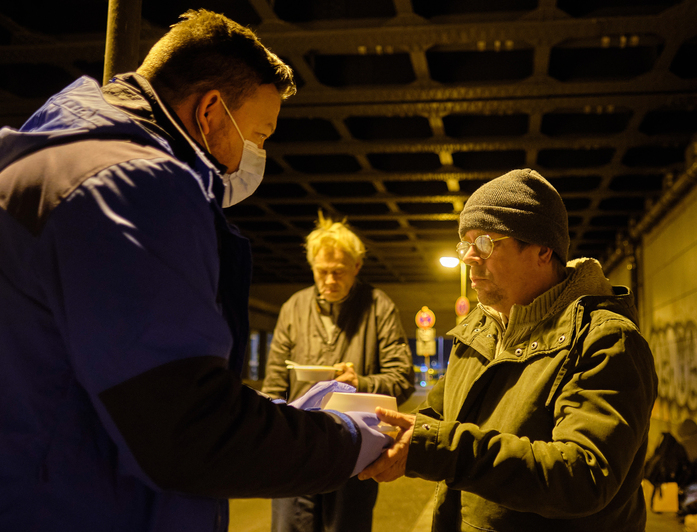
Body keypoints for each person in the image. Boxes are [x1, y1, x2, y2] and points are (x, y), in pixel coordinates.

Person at [0, 10, 390, 531]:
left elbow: (126, 387)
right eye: (259, 134)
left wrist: (276, 410)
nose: (257, 155)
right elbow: (192, 435)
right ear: (209, 111)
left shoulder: (48, 159)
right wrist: (348, 437)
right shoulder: (139, 188)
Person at [360, 168, 659, 531]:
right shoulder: (479, 330)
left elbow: (583, 477)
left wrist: (440, 449)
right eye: (465, 244)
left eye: (485, 242)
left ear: (542, 250)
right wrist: (360, 427)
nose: (470, 257)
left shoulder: (606, 340)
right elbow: (435, 420)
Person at [262, 212, 415, 532]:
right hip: (297, 448)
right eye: (322, 272)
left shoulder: (378, 306)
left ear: (357, 267)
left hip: (355, 450)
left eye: (339, 272)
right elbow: (275, 380)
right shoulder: (294, 307)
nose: (330, 281)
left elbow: (402, 378)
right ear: (312, 267)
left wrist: (362, 382)